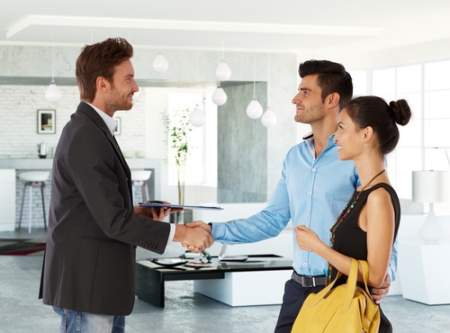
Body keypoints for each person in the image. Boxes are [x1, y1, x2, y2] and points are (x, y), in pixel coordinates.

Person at [189, 60, 397, 332]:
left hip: (342, 291)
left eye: (305, 92)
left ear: (331, 99)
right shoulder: (294, 158)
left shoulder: (356, 156)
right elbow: (272, 219)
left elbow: (384, 223)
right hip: (298, 290)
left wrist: (383, 275)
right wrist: (214, 230)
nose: (295, 98)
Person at [39, 37, 212, 333]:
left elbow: (95, 210)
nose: (136, 87)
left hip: (96, 285)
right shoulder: (86, 135)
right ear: (102, 83)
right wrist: (183, 233)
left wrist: (140, 213)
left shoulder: (92, 130)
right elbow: (113, 222)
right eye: (129, 78)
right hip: (87, 286)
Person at [296, 96, 410, 332]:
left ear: (366, 134)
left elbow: (376, 277)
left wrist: (317, 247)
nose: (335, 137)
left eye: (341, 127)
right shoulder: (363, 191)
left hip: (357, 321)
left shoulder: (378, 198)